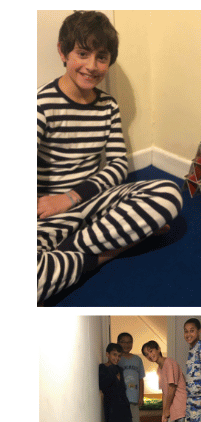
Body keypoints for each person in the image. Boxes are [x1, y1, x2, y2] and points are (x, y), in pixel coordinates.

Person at [37, 11, 182, 304]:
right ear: (63, 52)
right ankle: (109, 250)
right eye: (82, 53)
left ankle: (68, 254)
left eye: (101, 57)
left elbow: (118, 166)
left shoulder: (108, 107)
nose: (91, 66)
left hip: (92, 201)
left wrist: (73, 197)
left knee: (169, 193)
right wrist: (55, 203)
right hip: (48, 212)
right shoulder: (40, 105)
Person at [142, 340, 189, 422]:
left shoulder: (169, 363)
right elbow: (164, 393)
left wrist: (167, 409)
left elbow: (172, 387)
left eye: (151, 351)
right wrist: (164, 413)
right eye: (146, 354)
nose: (150, 356)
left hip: (180, 403)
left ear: (158, 349)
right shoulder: (159, 369)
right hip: (173, 406)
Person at [99, 343, 134, 422]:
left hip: (123, 405)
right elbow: (104, 385)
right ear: (107, 354)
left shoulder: (120, 369)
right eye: (114, 355)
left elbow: (121, 387)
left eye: (119, 356)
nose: (117, 358)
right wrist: (114, 377)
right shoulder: (103, 368)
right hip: (111, 406)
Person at [117, 332, 144, 422]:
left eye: (129, 342)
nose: (126, 345)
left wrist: (141, 397)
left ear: (132, 344)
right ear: (118, 343)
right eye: (123, 342)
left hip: (134, 399)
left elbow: (141, 380)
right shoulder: (116, 358)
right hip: (120, 400)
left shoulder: (138, 359)